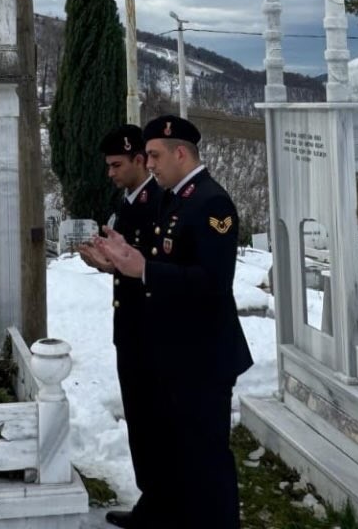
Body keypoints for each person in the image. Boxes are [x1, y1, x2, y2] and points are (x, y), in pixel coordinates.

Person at [93, 114, 252, 529]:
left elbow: (213, 282)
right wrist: (122, 259)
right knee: (177, 453)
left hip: (203, 354)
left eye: (155, 156)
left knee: (208, 461)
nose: (149, 165)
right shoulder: (174, 197)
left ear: (181, 153)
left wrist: (143, 268)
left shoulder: (211, 203)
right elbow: (161, 262)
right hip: (176, 352)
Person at [77, 123, 164, 528]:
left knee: (155, 422)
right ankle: (152, 500)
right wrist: (104, 261)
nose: (110, 173)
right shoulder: (128, 203)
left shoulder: (158, 202)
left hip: (151, 330)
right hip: (130, 327)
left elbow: (155, 267)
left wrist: (116, 264)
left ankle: (164, 505)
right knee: (140, 419)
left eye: (116, 165)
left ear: (138, 160)